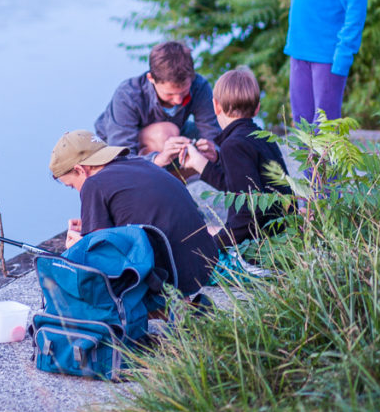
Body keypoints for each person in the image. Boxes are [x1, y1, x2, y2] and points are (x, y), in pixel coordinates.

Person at [49, 129, 217, 296]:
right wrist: (91, 223)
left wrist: (78, 246)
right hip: (203, 265)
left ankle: (160, 308)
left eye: (72, 185)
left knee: (84, 268)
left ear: (80, 170)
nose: (77, 190)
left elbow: (100, 252)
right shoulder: (139, 162)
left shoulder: (93, 184)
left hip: (170, 280)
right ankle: (184, 306)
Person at [179, 67, 293, 250]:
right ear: (257, 109)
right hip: (281, 233)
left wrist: (215, 247)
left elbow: (247, 213)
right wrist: (206, 164)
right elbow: (242, 189)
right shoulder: (263, 137)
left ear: (216, 106)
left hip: (258, 245)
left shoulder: (233, 145)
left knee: (192, 242)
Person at [94, 41, 220, 178]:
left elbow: (213, 133)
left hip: (174, 135)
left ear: (192, 77)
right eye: (169, 94)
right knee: (167, 132)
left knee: (208, 142)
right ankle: (155, 181)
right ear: (151, 78)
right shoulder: (127, 95)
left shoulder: (199, 86)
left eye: (184, 92)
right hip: (117, 148)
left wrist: (214, 153)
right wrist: (159, 159)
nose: (178, 100)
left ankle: (177, 181)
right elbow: (122, 154)